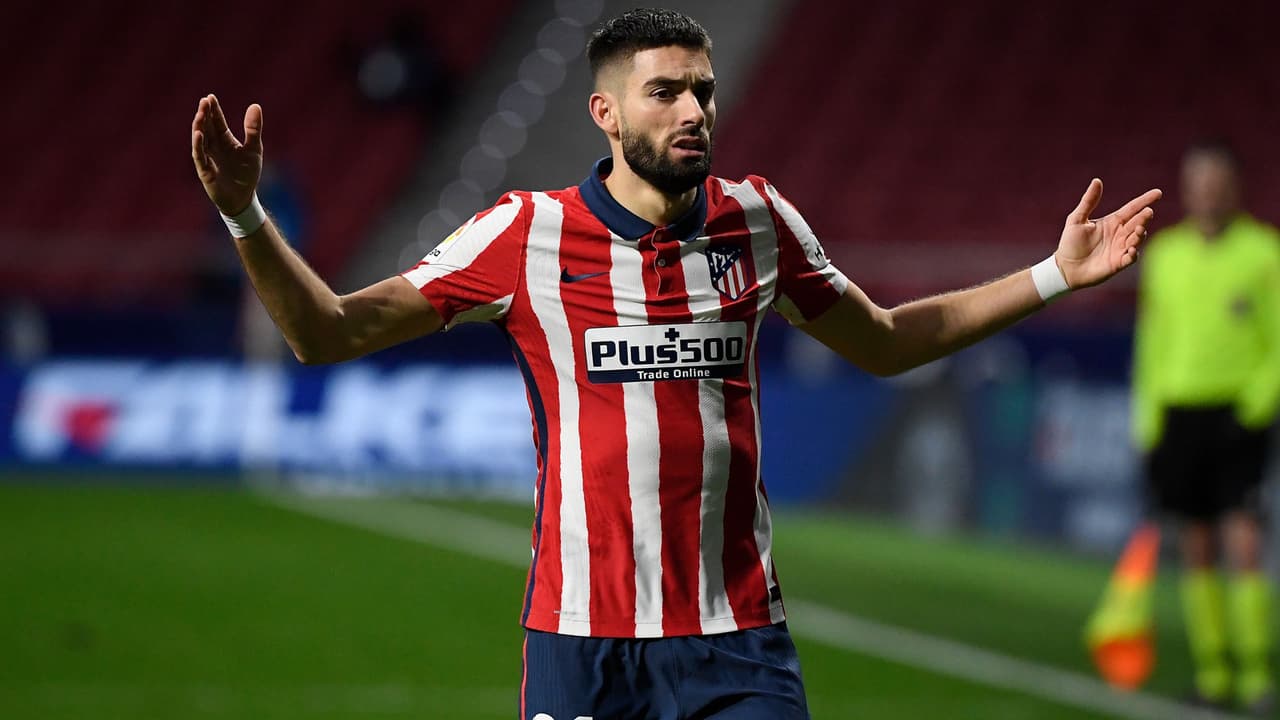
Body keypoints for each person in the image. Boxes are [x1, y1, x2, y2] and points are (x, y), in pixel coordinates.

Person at [191, 9, 1160, 719]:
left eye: (702, 89)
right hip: (582, 643)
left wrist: (1050, 275)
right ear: (606, 114)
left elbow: (889, 339)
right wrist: (245, 215)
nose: (693, 109)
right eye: (664, 92)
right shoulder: (524, 236)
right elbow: (326, 333)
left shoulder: (757, 221)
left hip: (736, 644)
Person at [1131, 139, 1280, 713]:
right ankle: (1214, 674)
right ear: (1186, 188)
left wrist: (1256, 407)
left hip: (1238, 415)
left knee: (1243, 542)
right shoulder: (1166, 255)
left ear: (1235, 187)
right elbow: (1152, 343)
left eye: (1217, 182)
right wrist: (1149, 424)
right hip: (1179, 415)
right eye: (1198, 182)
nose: (1208, 193)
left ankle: (1256, 675)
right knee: (1195, 546)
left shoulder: (1264, 252)